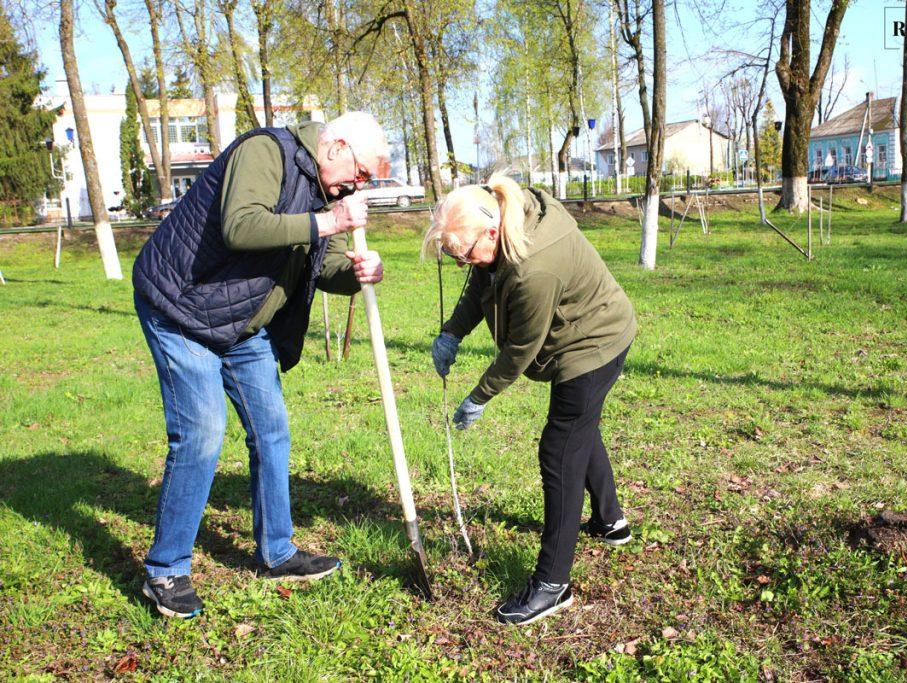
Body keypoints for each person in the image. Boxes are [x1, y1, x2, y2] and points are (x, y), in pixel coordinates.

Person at [131, 112, 389, 619]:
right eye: (361, 174)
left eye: (368, 182)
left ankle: (277, 551)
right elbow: (241, 225)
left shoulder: (328, 191)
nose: (361, 187)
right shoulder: (265, 151)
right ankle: (165, 570)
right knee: (202, 433)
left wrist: (360, 272)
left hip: (244, 324)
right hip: (180, 307)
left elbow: (326, 263)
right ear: (335, 147)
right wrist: (328, 221)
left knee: (272, 432)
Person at [423, 173, 637, 626]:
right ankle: (610, 521)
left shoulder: (533, 265)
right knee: (580, 428)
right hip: (584, 331)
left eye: (463, 254)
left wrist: (478, 396)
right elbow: (481, 283)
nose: (463, 264)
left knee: (560, 448)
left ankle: (552, 585)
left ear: (492, 231)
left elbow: (521, 348)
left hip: (593, 343)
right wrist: (452, 332)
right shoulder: (507, 224)